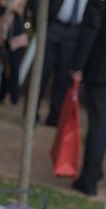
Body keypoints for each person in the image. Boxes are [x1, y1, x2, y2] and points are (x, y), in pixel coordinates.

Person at [70, 0, 106, 196]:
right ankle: (94, 174)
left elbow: (91, 27)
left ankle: (89, 179)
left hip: (101, 69)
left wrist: (78, 65)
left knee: (99, 125)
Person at [38, 0, 88, 126]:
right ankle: (31, 112)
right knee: (42, 71)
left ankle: (54, 116)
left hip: (76, 31)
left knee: (63, 76)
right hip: (54, 25)